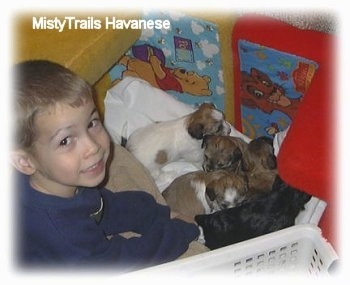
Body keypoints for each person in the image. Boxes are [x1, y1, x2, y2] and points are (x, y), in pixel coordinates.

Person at [11, 60, 200, 271]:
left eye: (92, 123)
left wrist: (156, 213)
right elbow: (119, 263)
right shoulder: (63, 233)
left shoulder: (64, 176)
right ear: (25, 161)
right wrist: (177, 232)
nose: (92, 146)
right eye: (65, 141)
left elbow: (101, 206)